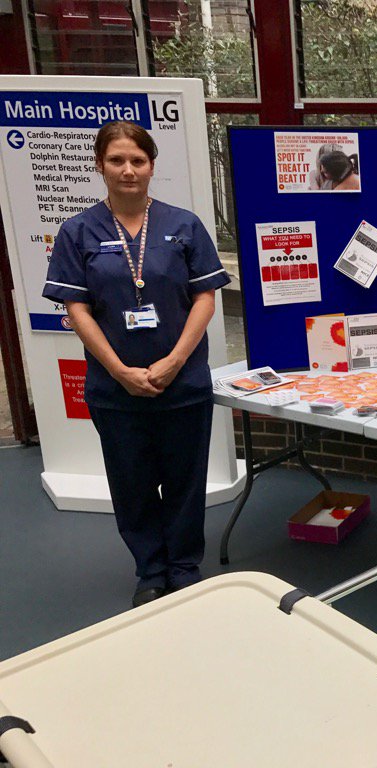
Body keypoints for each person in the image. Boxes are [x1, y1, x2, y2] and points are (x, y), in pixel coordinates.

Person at [42, 121, 230, 608]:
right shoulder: (77, 231)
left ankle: (185, 567)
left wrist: (174, 360)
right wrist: (120, 370)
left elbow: (205, 298)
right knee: (132, 482)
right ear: (99, 165)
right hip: (115, 388)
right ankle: (150, 569)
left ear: (152, 166)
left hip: (181, 380)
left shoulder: (183, 225)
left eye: (138, 161)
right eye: (117, 161)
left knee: (187, 480)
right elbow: (76, 309)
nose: (128, 170)